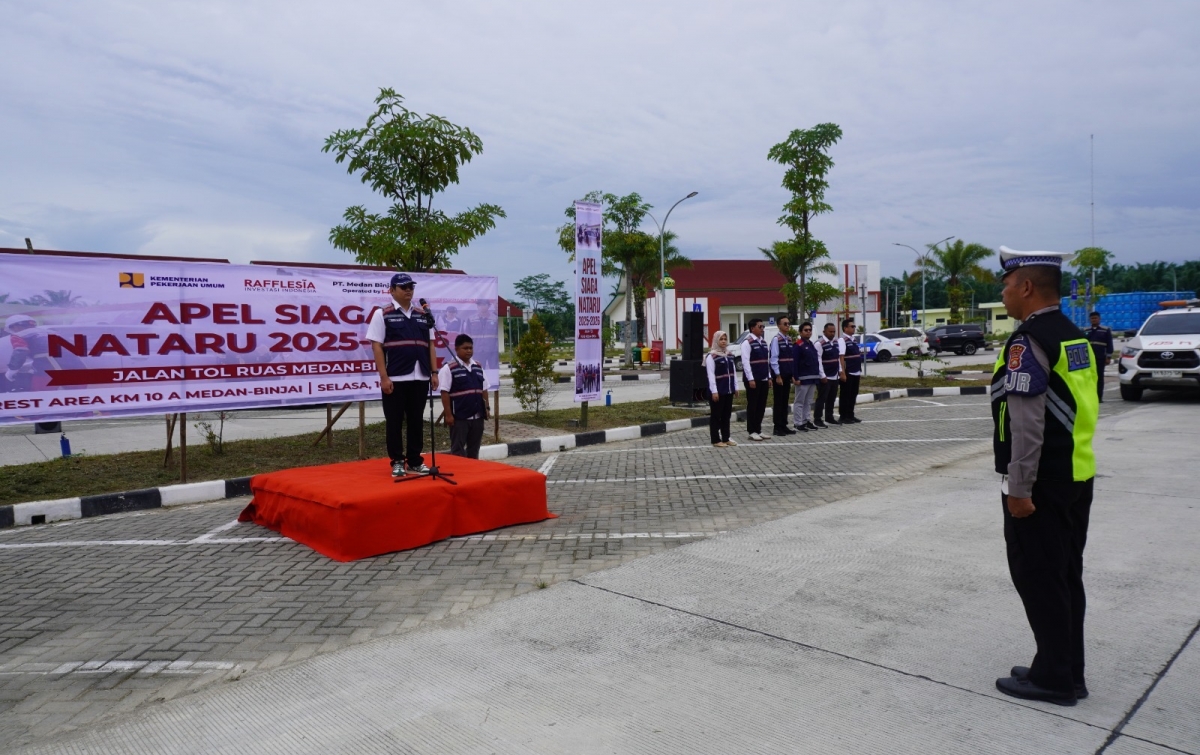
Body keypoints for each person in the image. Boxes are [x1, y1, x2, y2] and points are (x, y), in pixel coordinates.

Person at [991, 246, 1100, 707]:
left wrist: (1019, 488)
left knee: (1039, 577)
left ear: (1027, 287)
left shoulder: (1028, 341)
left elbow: (1027, 425)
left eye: (1008, 284)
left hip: (1041, 485)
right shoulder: (1073, 335)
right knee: (1064, 576)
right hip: (1076, 475)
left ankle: (1054, 679)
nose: (1004, 292)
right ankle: (1064, 668)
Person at [366, 273, 439, 477]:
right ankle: (397, 461)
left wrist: (434, 372)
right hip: (396, 378)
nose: (408, 290)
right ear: (392, 290)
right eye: (403, 286)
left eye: (411, 287)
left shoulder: (422, 315)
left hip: (420, 376)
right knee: (395, 421)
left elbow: (431, 345)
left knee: (416, 420)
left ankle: (415, 460)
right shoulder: (382, 314)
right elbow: (376, 346)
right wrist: (384, 377)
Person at [438, 334, 488, 459]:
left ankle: (473, 476)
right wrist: (448, 415)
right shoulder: (448, 368)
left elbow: (484, 388)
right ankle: (460, 475)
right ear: (456, 349)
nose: (469, 351)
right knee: (458, 450)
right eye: (465, 348)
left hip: (478, 416)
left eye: (471, 348)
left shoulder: (478, 366)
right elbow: (444, 393)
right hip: (459, 418)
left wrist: (487, 408)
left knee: (474, 450)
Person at [705, 330, 739, 447]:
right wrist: (714, 391)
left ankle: (726, 438)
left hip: (728, 390)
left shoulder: (729, 355)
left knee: (726, 415)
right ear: (716, 340)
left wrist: (736, 387)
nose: (724, 341)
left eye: (725, 339)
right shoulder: (711, 356)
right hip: (718, 391)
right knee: (716, 415)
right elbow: (710, 375)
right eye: (721, 339)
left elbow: (733, 372)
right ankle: (715, 439)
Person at [740, 318, 771, 441]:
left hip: (763, 378)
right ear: (752, 328)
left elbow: (766, 362)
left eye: (763, 327)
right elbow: (746, 362)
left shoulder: (763, 342)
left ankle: (758, 429)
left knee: (761, 405)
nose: (762, 329)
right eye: (760, 326)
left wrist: (768, 377)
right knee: (752, 405)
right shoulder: (747, 343)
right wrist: (751, 378)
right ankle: (751, 430)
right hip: (753, 379)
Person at [791, 321, 822, 432]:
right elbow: (794, 362)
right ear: (800, 332)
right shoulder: (798, 345)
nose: (808, 332)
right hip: (803, 378)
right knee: (799, 401)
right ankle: (798, 423)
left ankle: (806, 421)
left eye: (810, 330)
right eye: (806, 330)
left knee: (808, 401)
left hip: (812, 377)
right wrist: (795, 377)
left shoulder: (811, 344)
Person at [769, 317, 797, 436]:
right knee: (779, 401)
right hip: (779, 376)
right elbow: (774, 359)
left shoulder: (789, 339)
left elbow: (791, 359)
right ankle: (777, 427)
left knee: (785, 401)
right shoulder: (776, 339)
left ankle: (784, 425)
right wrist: (777, 375)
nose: (787, 325)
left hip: (787, 375)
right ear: (779, 326)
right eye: (785, 324)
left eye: (788, 323)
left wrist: (792, 374)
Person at [837, 318, 864, 424]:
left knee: (853, 394)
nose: (854, 328)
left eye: (854, 326)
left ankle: (851, 415)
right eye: (852, 326)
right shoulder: (842, 340)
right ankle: (843, 416)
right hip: (848, 371)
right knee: (845, 394)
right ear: (845, 328)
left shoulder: (853, 339)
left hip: (856, 371)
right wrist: (842, 372)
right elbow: (841, 357)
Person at [1085, 311, 1114, 402]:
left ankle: (1099, 397)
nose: (1094, 320)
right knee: (1089, 377)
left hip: (1100, 357)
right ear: (1090, 320)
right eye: (1092, 318)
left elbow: (1109, 344)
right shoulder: (1086, 330)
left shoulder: (1105, 330)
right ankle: (1090, 396)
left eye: (1095, 318)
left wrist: (1108, 356)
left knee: (1099, 377)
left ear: (1099, 319)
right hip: (1088, 358)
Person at [816, 322, 841, 426]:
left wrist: (840, 370)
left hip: (834, 375)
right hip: (825, 376)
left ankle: (829, 417)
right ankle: (817, 419)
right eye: (830, 331)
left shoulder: (835, 342)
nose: (832, 333)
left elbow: (837, 358)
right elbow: (818, 361)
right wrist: (822, 375)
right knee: (822, 399)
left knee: (832, 398)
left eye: (834, 331)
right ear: (824, 331)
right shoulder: (819, 344)